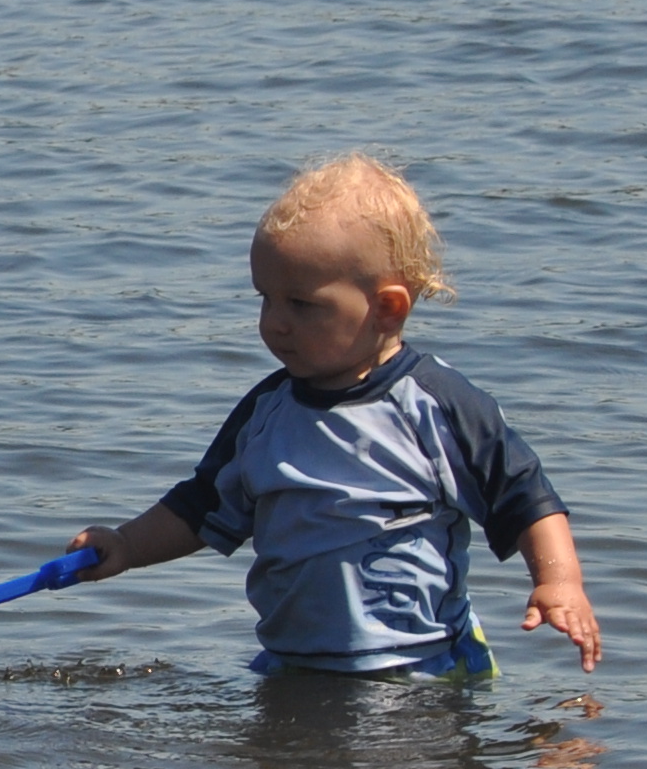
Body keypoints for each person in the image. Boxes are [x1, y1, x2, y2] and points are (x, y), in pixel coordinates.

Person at [70, 155, 599, 675]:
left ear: (387, 308)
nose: (274, 323)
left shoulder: (434, 405)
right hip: (294, 667)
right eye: (265, 299)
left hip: (421, 669)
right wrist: (127, 544)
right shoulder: (267, 413)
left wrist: (559, 581)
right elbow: (201, 504)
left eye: (300, 305)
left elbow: (523, 494)